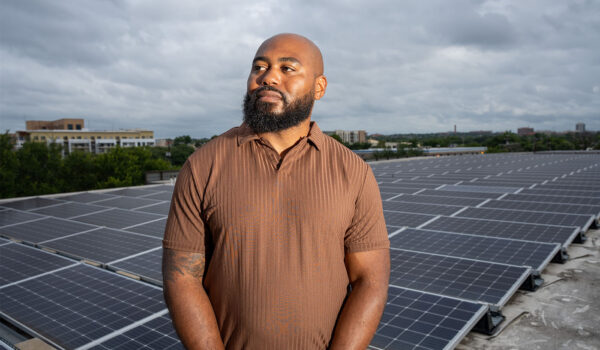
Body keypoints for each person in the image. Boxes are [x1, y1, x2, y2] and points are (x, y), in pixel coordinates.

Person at [162, 33, 390, 350]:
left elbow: (370, 281)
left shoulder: (353, 172)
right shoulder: (203, 166)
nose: (268, 77)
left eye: (287, 68)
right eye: (259, 67)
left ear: (319, 87)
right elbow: (182, 278)